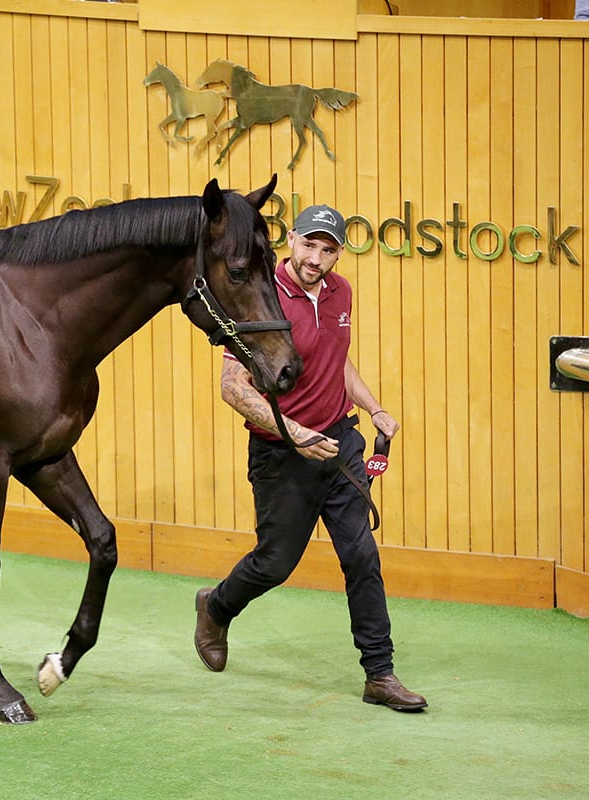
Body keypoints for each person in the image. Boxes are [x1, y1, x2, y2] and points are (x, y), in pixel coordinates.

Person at [194, 204, 427, 712]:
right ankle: (216, 606)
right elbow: (233, 387)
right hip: (282, 454)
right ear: (291, 240)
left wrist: (374, 408)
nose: (316, 258)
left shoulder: (341, 293)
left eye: (328, 250)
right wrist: (295, 433)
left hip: (340, 445)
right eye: (309, 245)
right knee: (274, 563)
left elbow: (336, 361)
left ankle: (380, 674)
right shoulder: (262, 294)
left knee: (361, 556)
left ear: (338, 254)